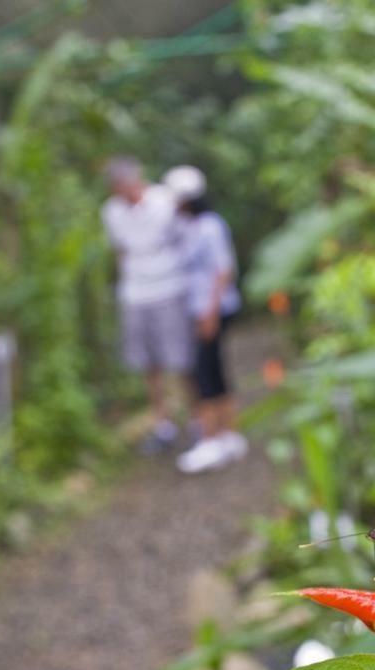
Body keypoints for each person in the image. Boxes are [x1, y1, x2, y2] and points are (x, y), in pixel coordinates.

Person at [101, 156, 192, 454]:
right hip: (135, 293)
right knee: (148, 363)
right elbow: (120, 251)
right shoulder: (112, 212)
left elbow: (185, 239)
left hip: (169, 287)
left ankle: (196, 417)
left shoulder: (164, 201)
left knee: (180, 357)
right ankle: (162, 423)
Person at [162, 165, 247, 473]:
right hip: (199, 309)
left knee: (204, 373)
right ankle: (228, 433)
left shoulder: (210, 226)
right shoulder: (187, 226)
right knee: (215, 369)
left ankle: (210, 439)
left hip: (212, 310)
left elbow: (222, 271)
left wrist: (209, 313)